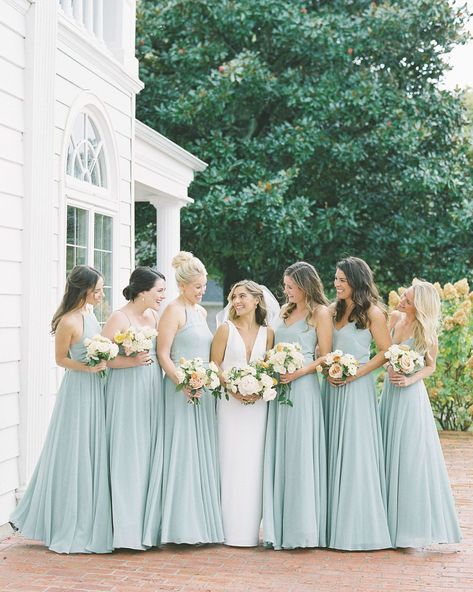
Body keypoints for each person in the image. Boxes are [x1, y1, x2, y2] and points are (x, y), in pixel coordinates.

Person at [10, 265, 113, 554]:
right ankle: (67, 520)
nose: (101, 293)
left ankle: (91, 517)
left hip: (96, 388)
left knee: (93, 449)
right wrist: (88, 368)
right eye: (98, 289)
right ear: (84, 290)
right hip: (78, 389)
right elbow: (61, 359)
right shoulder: (68, 321)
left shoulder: (90, 315)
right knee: (75, 449)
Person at [379, 281, 462, 547]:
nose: (402, 299)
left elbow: (430, 367)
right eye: (404, 294)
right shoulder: (393, 319)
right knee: (386, 451)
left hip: (410, 396)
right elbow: (382, 353)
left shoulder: (426, 331)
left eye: (409, 299)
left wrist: (410, 379)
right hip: (389, 395)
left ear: (420, 306)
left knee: (410, 456)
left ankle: (408, 528)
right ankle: (385, 523)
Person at [323, 256, 391, 550]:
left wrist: (355, 374)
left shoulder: (373, 313)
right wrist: (330, 371)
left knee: (354, 453)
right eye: (335, 279)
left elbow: (385, 352)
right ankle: (329, 524)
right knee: (330, 449)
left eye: (342, 280)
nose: (336, 284)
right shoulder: (330, 310)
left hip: (357, 387)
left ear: (356, 281)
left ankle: (357, 527)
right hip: (331, 387)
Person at [263, 261, 331, 550]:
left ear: (304, 286)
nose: (286, 290)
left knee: (301, 453)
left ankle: (302, 529)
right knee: (282, 451)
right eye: (285, 286)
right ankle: (278, 526)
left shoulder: (320, 314)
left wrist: (299, 371)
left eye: (290, 286)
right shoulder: (284, 311)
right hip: (279, 390)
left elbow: (325, 356)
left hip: (303, 390)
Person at [158, 251, 224, 544]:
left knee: (200, 454)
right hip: (179, 392)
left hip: (203, 391)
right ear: (182, 286)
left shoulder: (199, 312)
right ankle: (177, 525)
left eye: (204, 286)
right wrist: (182, 382)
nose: (202, 291)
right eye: (197, 287)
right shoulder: (173, 311)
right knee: (182, 453)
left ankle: (200, 522)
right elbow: (163, 354)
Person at [102, 267, 166, 550]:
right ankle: (125, 531)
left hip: (151, 386)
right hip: (126, 388)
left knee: (148, 452)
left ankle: (146, 526)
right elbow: (101, 357)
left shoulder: (153, 316)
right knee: (128, 452)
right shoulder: (119, 317)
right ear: (142, 292)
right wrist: (131, 362)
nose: (163, 296)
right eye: (159, 291)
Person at [211, 280, 275, 547]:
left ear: (257, 300)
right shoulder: (225, 329)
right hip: (230, 404)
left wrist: (261, 387)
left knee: (254, 463)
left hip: (258, 407)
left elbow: (270, 367)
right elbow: (214, 365)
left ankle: (249, 531)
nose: (236, 301)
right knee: (229, 459)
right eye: (234, 297)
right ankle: (226, 529)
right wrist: (233, 388)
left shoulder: (268, 333)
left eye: (242, 296)